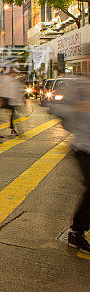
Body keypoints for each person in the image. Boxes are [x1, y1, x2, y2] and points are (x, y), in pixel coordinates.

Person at [52, 70, 90, 253]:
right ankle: (77, 231)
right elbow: (56, 108)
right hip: (84, 147)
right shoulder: (78, 85)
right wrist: (77, 109)